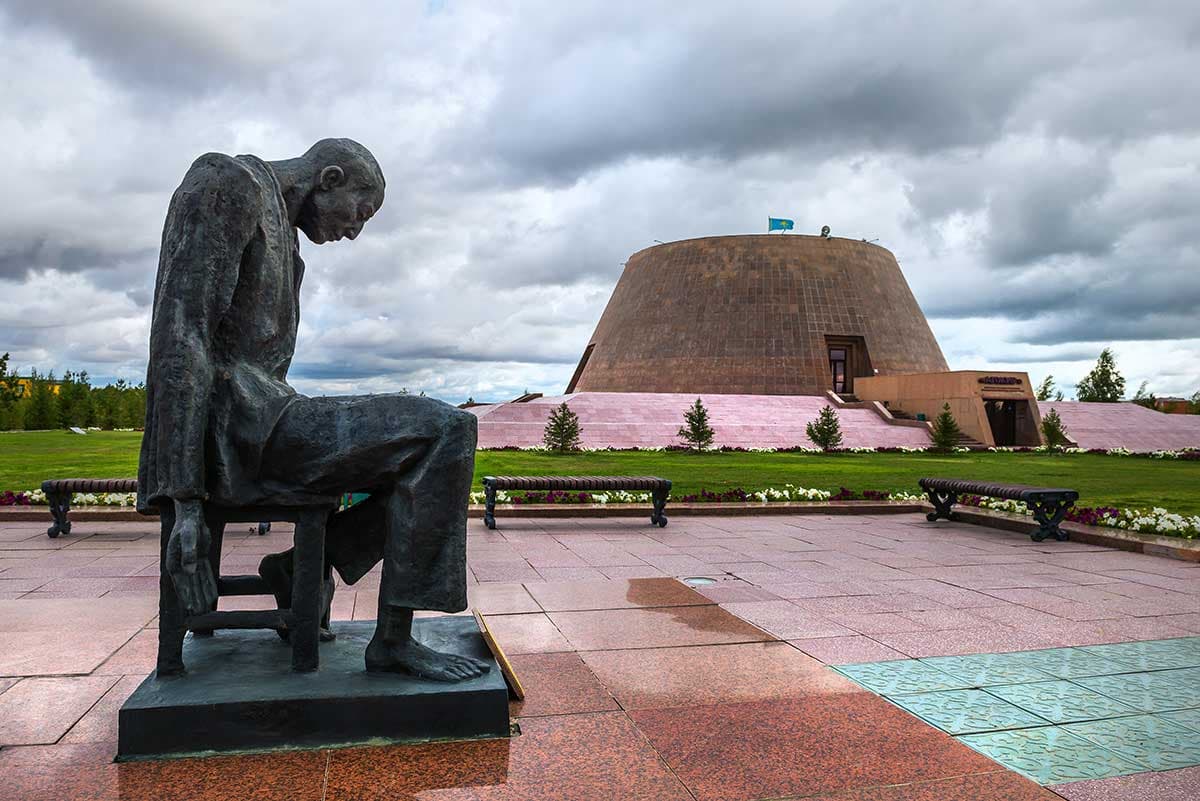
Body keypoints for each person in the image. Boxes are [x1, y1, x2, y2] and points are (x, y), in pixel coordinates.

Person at [138, 139, 487, 681]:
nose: (355, 230)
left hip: (267, 416)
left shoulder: (285, 237)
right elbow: (181, 339)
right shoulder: (226, 183)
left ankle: (305, 566)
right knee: (447, 430)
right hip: (241, 434)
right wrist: (183, 499)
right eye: (359, 212)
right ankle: (392, 641)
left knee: (432, 450)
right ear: (328, 179)